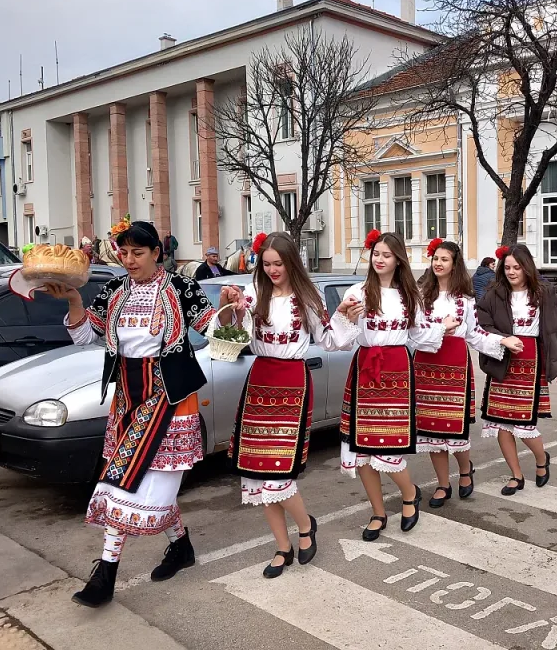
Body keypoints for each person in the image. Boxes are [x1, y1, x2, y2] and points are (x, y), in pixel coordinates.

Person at [43, 220, 238, 608]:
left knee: (128, 484)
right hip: (127, 398)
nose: (129, 260)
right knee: (138, 479)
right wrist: (74, 301)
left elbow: (217, 333)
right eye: (124, 253)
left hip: (170, 398)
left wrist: (230, 311)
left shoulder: (181, 287)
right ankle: (181, 546)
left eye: (138, 253)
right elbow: (85, 336)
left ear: (156, 254)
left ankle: (105, 575)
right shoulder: (115, 290)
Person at [223, 233, 360, 578]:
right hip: (259, 380)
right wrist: (230, 308)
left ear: (291, 263)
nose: (272, 270)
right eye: (267, 264)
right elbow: (233, 336)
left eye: (278, 264)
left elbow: (330, 341)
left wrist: (344, 316)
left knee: (279, 473)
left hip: (292, 383)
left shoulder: (307, 297)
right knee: (258, 473)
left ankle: (305, 525)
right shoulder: (253, 294)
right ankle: (282, 546)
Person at [338, 231, 458, 541]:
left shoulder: (409, 295)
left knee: (388, 447)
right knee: (362, 452)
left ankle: (409, 494)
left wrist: (441, 328)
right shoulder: (358, 292)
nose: (379, 259)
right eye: (376, 253)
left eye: (386, 255)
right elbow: (341, 340)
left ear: (398, 260)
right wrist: (345, 318)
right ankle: (378, 512)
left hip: (396, 370)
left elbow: (419, 334)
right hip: (365, 369)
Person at [477, 245, 557, 493]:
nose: (511, 272)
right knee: (501, 424)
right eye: (507, 268)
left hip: (531, 362)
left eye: (517, 267)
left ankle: (541, 459)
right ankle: (516, 475)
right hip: (502, 361)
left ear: (527, 267)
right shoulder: (494, 294)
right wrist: (503, 339)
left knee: (524, 425)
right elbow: (483, 326)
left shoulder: (545, 294)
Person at [415, 239, 515, 506]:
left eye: (444, 259)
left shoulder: (465, 300)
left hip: (454, 364)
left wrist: (501, 340)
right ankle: (442, 483)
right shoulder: (420, 295)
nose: (438, 263)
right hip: (426, 365)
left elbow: (475, 333)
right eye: (436, 258)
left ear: (454, 264)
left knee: (453, 426)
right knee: (431, 428)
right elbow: (413, 331)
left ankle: (464, 470)